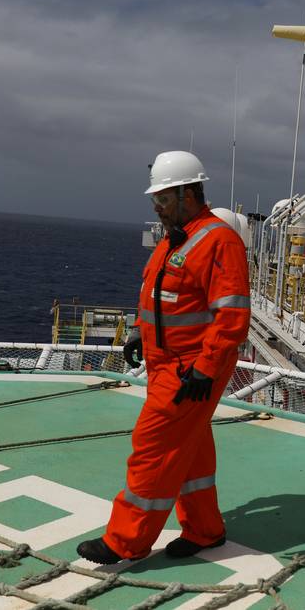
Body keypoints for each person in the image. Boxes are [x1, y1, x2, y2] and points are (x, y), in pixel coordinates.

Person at [76, 150, 251, 564]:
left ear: (189, 194)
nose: (156, 206)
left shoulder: (217, 241)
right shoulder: (177, 238)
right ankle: (205, 530)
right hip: (165, 361)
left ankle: (125, 541)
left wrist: (205, 369)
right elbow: (157, 291)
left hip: (191, 366)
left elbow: (232, 315)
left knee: (152, 447)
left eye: (164, 198)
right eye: (154, 198)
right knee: (190, 449)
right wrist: (140, 330)